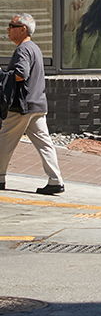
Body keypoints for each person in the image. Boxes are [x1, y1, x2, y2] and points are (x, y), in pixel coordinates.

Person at [0, 13, 63, 195]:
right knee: (45, 144)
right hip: (37, 105)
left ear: (23, 29)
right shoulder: (34, 48)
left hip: (22, 106)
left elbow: (21, 73)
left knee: (4, 141)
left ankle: (0, 177)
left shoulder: (23, 50)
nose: (8, 29)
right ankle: (55, 180)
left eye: (11, 26)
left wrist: (2, 75)